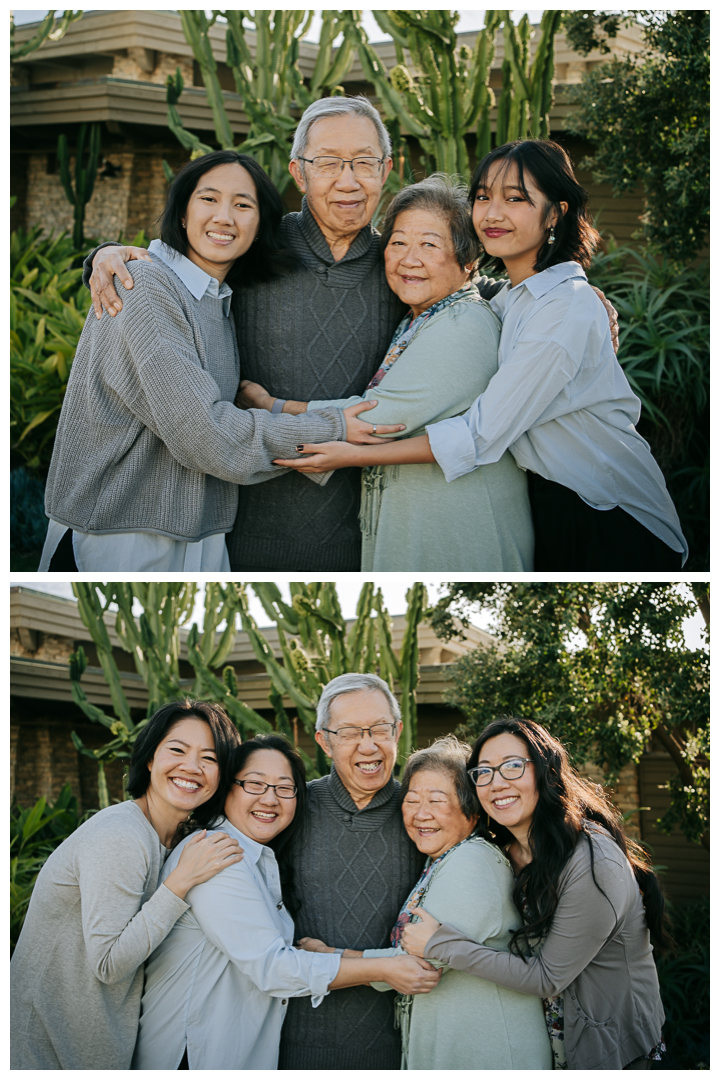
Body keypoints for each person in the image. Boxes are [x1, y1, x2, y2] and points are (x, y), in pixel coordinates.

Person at [85, 97, 506, 571]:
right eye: (327, 163)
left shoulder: (399, 265)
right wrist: (106, 255)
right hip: (233, 531)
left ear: (386, 169)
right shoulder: (255, 247)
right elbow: (180, 267)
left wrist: (554, 293)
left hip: (359, 535)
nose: (347, 181)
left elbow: (466, 285)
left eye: (364, 163)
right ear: (299, 173)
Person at [273, 139, 685, 572]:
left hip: (606, 509)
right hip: (550, 497)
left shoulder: (566, 308)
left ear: (555, 214)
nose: (492, 213)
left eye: (516, 199)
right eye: (484, 197)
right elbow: (474, 294)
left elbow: (479, 435)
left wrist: (348, 452)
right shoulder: (512, 298)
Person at [39, 149, 400, 571]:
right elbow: (206, 436)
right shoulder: (146, 289)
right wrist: (333, 427)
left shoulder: (218, 298)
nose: (224, 217)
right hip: (118, 533)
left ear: (261, 226)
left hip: (197, 532)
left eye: (242, 205)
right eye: (208, 199)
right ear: (181, 213)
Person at [239, 174, 534, 571]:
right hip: (421, 525)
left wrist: (272, 406)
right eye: (398, 243)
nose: (409, 259)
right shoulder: (424, 317)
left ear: (468, 262)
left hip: (461, 534)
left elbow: (379, 418)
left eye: (429, 245)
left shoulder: (466, 324)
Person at [132, 734, 440, 1070]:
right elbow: (273, 967)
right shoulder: (216, 856)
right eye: (254, 784)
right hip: (193, 1055)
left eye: (284, 788)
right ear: (227, 788)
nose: (270, 799)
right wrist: (383, 968)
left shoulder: (257, 856)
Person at [401, 717, 669, 1070]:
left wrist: (441, 944)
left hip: (615, 1050)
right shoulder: (511, 851)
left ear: (546, 771)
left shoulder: (592, 861)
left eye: (512, 767)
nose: (497, 783)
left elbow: (547, 977)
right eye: (484, 772)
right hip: (560, 1042)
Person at [10, 700, 244, 1070]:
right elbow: (108, 964)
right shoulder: (121, 836)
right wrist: (179, 883)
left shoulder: (171, 837)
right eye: (177, 750)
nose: (192, 767)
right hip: (43, 1052)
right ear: (150, 759)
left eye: (210, 758)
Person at [298, 735, 552, 1070]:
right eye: (412, 800)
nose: (421, 814)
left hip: (489, 1054)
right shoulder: (443, 860)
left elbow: (417, 966)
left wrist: (331, 958)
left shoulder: (472, 862)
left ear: (472, 811)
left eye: (436, 800)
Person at [273, 672, 427, 1070]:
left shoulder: (424, 817)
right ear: (324, 739)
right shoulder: (290, 809)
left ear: (398, 731)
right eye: (350, 732)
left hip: (398, 1046)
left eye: (380, 728)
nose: (368, 745)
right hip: (296, 1041)